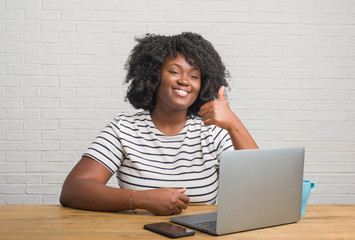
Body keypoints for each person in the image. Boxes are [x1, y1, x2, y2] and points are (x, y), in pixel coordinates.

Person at [60, 32, 258, 216]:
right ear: (154, 76)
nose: (184, 81)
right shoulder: (124, 129)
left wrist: (234, 123)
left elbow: (259, 188)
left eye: (194, 76)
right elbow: (73, 189)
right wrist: (140, 199)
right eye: (174, 71)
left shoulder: (214, 133)